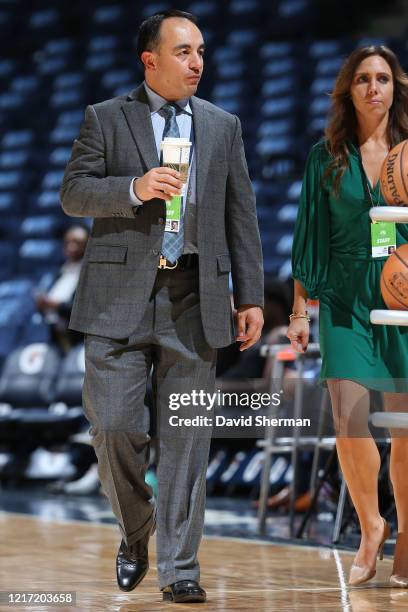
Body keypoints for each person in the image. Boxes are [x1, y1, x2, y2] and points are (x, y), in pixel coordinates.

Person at [60, 9, 264, 604]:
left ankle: (180, 569)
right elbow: (73, 192)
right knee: (115, 428)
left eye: (200, 50)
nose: (197, 61)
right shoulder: (106, 117)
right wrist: (133, 188)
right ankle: (135, 531)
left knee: (187, 441)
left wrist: (249, 296)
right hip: (116, 299)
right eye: (183, 51)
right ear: (150, 60)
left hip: (194, 297)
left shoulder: (223, 125)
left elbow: (241, 216)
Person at [288, 45, 408, 588]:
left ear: (395, 87)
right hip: (341, 296)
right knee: (350, 418)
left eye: (383, 78)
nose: (374, 88)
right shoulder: (325, 155)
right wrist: (300, 309)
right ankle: (370, 526)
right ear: (348, 89)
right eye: (363, 78)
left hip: (400, 292)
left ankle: (407, 534)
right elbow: (308, 234)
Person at [34, 224, 89, 351]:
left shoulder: (91, 274)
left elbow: (84, 309)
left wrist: (56, 306)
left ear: (88, 245)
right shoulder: (60, 270)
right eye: (67, 242)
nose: (71, 246)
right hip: (54, 333)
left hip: (78, 337)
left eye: (77, 242)